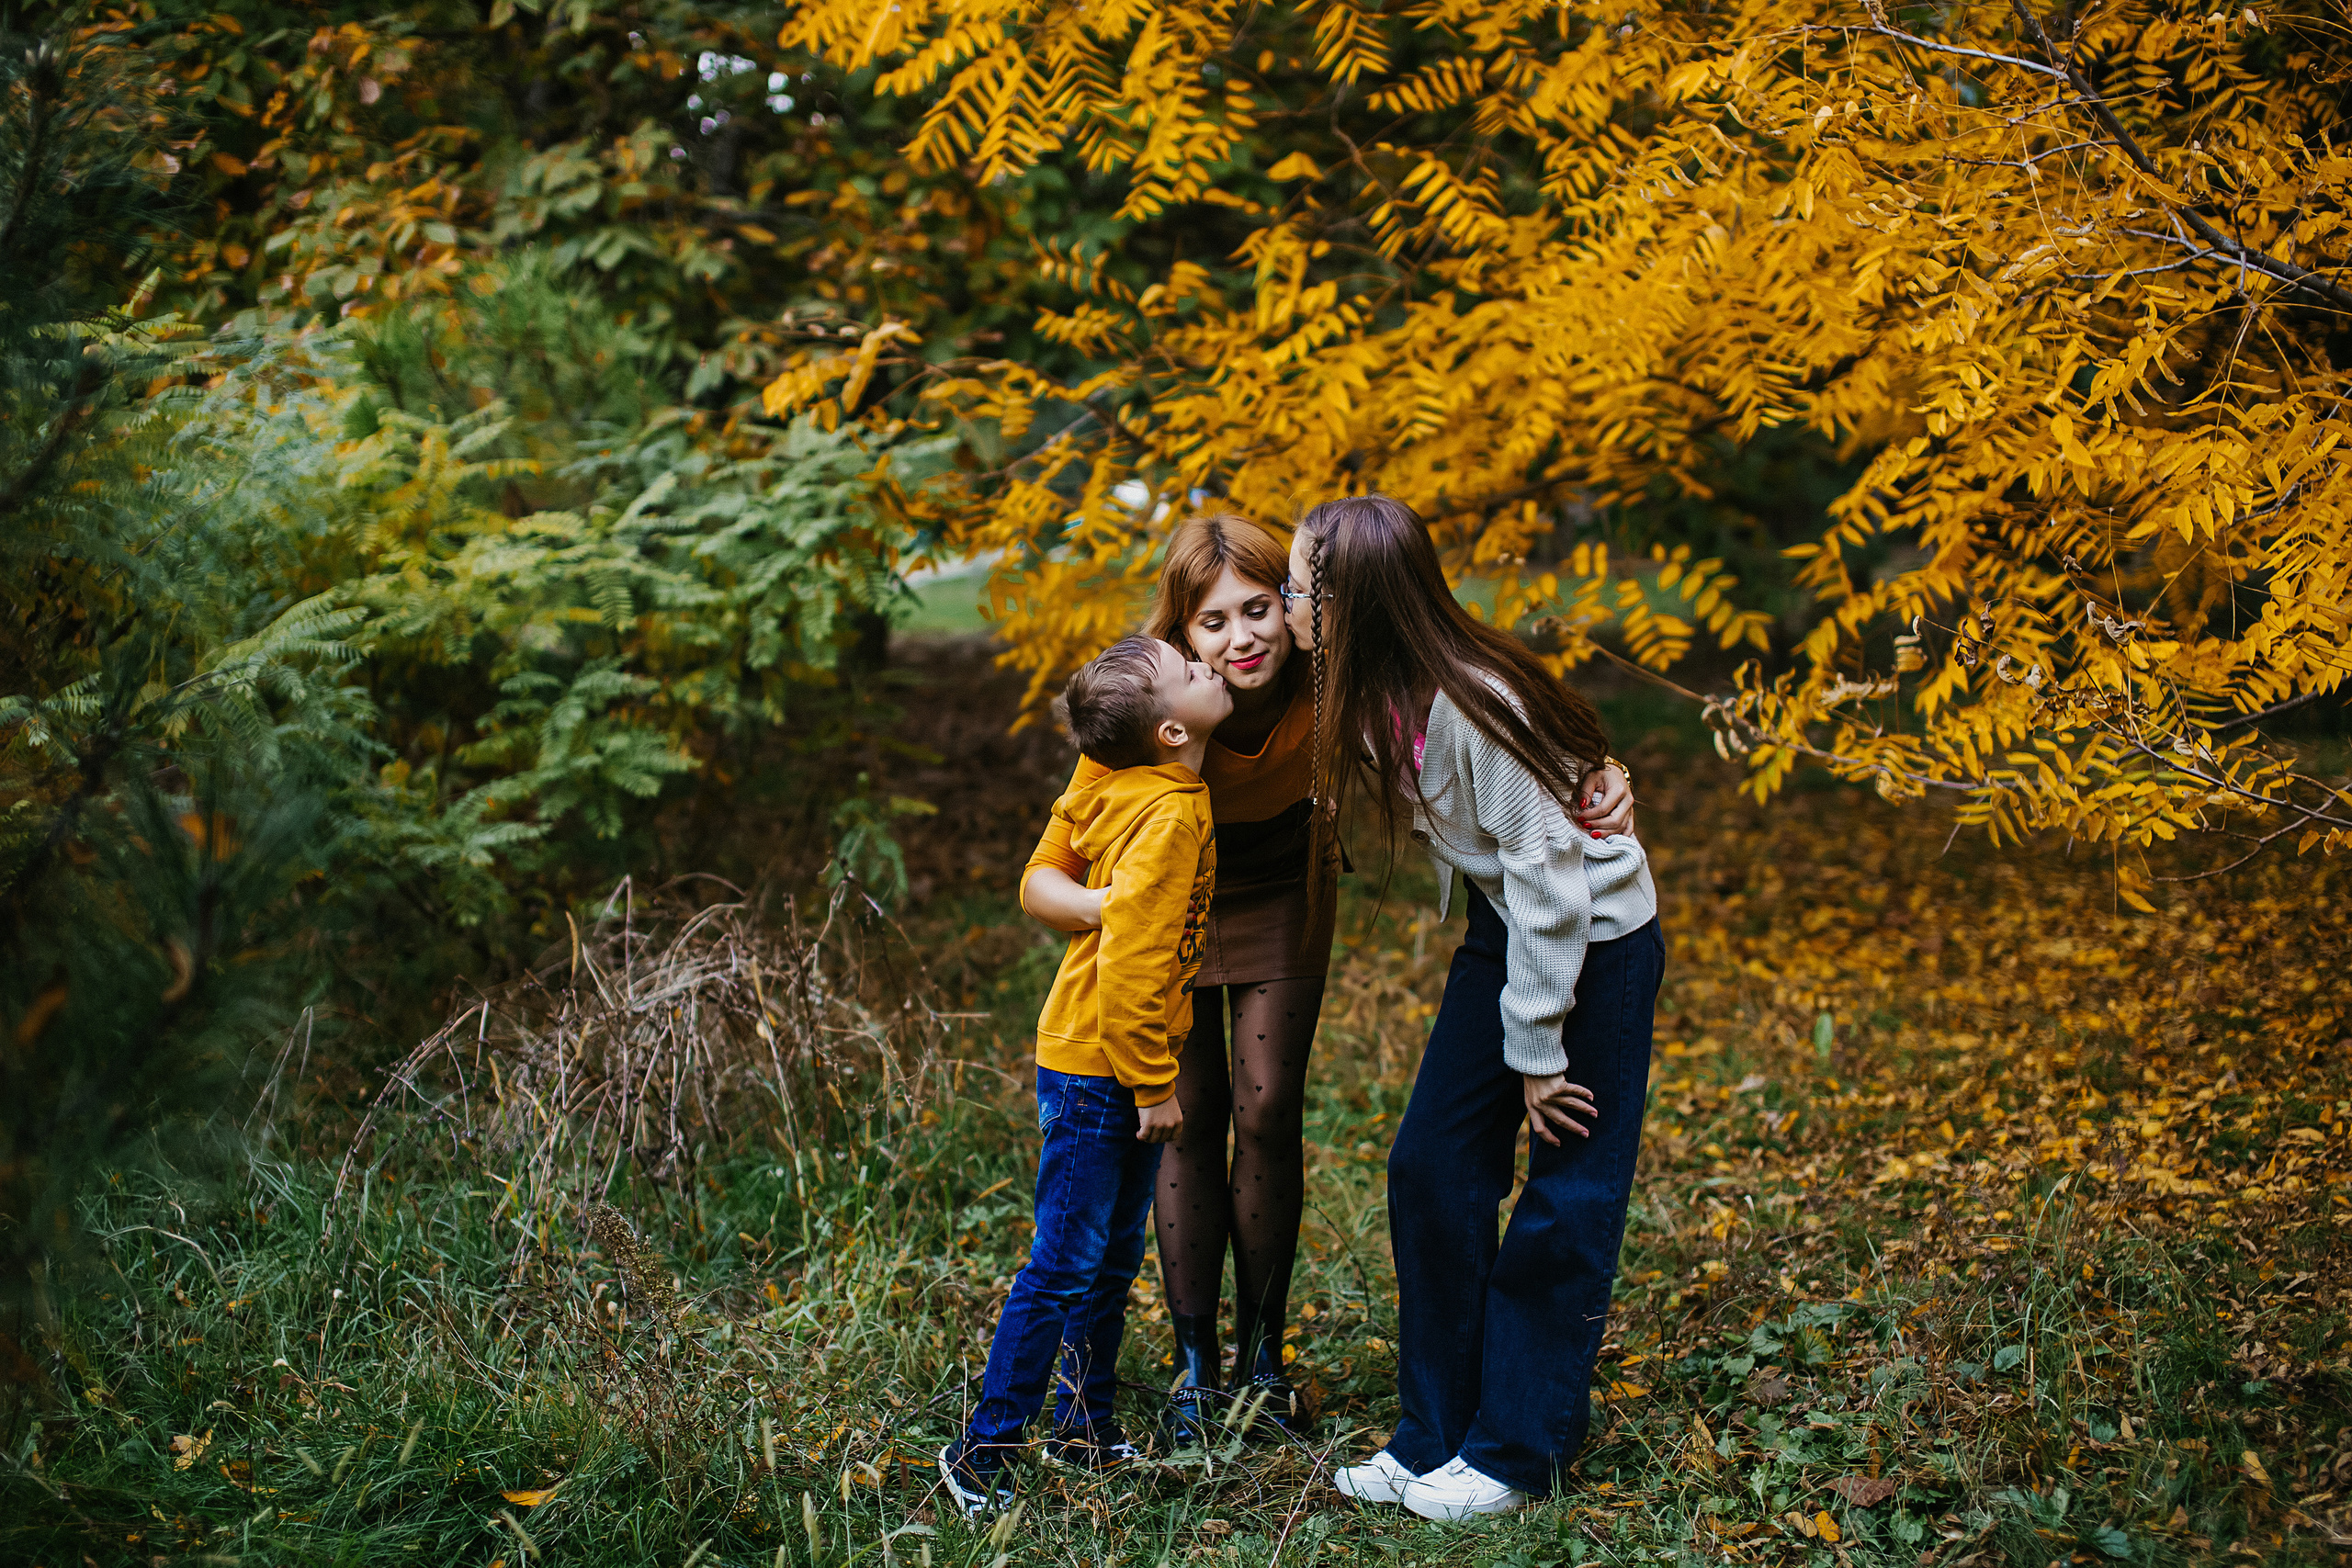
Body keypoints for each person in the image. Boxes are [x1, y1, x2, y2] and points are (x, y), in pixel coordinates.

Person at [1024, 514, 1634, 1449]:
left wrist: (1601, 769)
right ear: (1181, 635)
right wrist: (1115, 911)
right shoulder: (1152, 704)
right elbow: (1042, 875)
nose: (1243, 639)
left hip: (1279, 896)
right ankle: (1198, 1368)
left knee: (1266, 1109)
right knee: (1184, 1121)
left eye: (1262, 607)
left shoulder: (1327, 674)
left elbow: (1481, 708)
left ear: (1296, 608)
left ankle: (1263, 1361)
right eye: (1212, 623)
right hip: (1164, 919)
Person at [1283, 495, 1664, 1522]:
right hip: (1509, 934)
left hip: (1592, 944)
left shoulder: (1470, 704)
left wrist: (1537, 1048)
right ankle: (1435, 1433)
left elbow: (1554, 882)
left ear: (1349, 601)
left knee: (1566, 1194)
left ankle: (1513, 1452)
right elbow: (1564, 784)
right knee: (1431, 1166)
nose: (1280, 609)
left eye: (1292, 587)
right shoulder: (1371, 685)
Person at [938, 636, 1231, 1516]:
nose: (1208, 661)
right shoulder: (1165, 815)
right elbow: (1131, 971)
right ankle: (983, 1450)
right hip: (1103, 1068)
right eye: (1190, 669)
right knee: (1062, 1264)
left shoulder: (1133, 777)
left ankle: (1085, 1423)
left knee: (1109, 1258)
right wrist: (1153, 1085)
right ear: (1174, 728)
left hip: (1108, 1060)